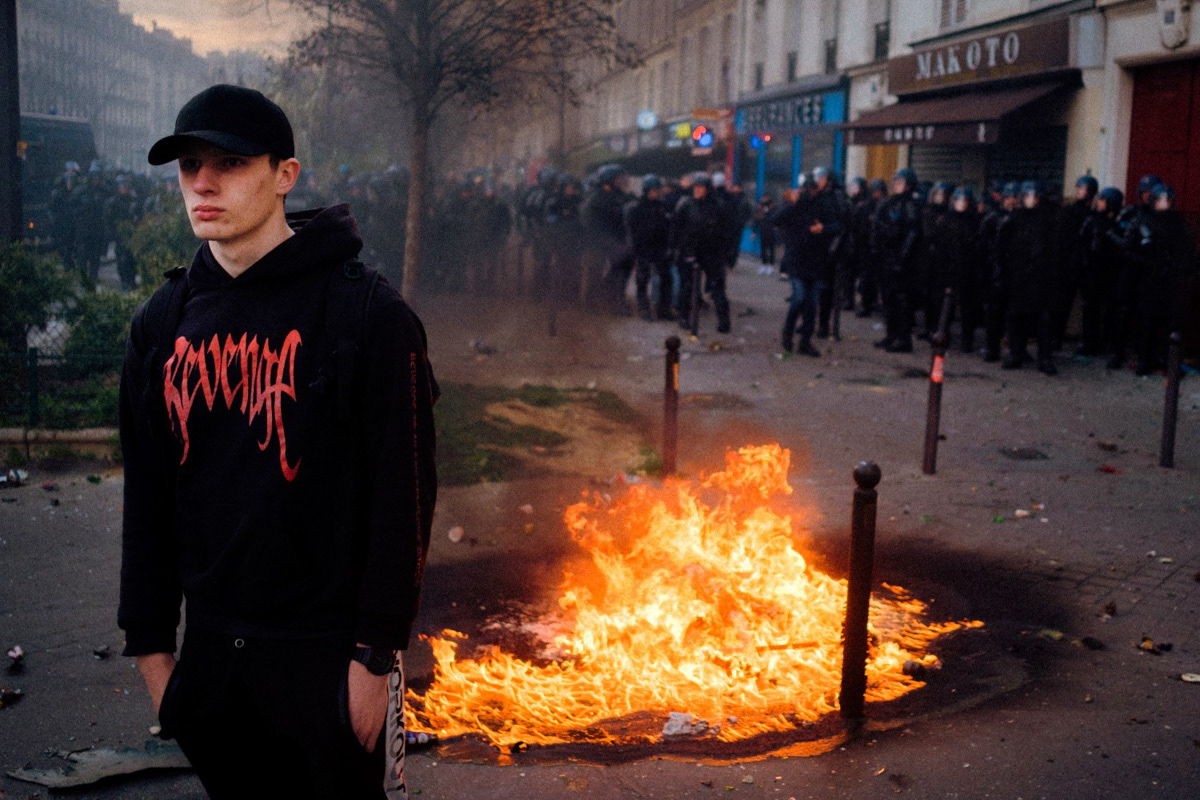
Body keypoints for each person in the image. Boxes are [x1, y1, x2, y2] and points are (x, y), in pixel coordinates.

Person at [118, 84, 438, 799]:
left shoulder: (366, 314)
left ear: (284, 175)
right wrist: (153, 659)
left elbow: (405, 497)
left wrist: (375, 657)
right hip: (209, 663)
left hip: (328, 659)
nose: (203, 182)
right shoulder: (162, 323)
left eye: (230, 163)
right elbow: (147, 501)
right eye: (189, 165)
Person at [872, 168, 923, 352]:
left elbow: (912, 234)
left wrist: (902, 259)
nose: (896, 185)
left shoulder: (909, 205)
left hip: (900, 261)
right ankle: (891, 335)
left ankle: (903, 339)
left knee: (901, 301)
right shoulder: (891, 203)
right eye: (896, 182)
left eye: (900, 182)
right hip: (887, 257)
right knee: (888, 299)